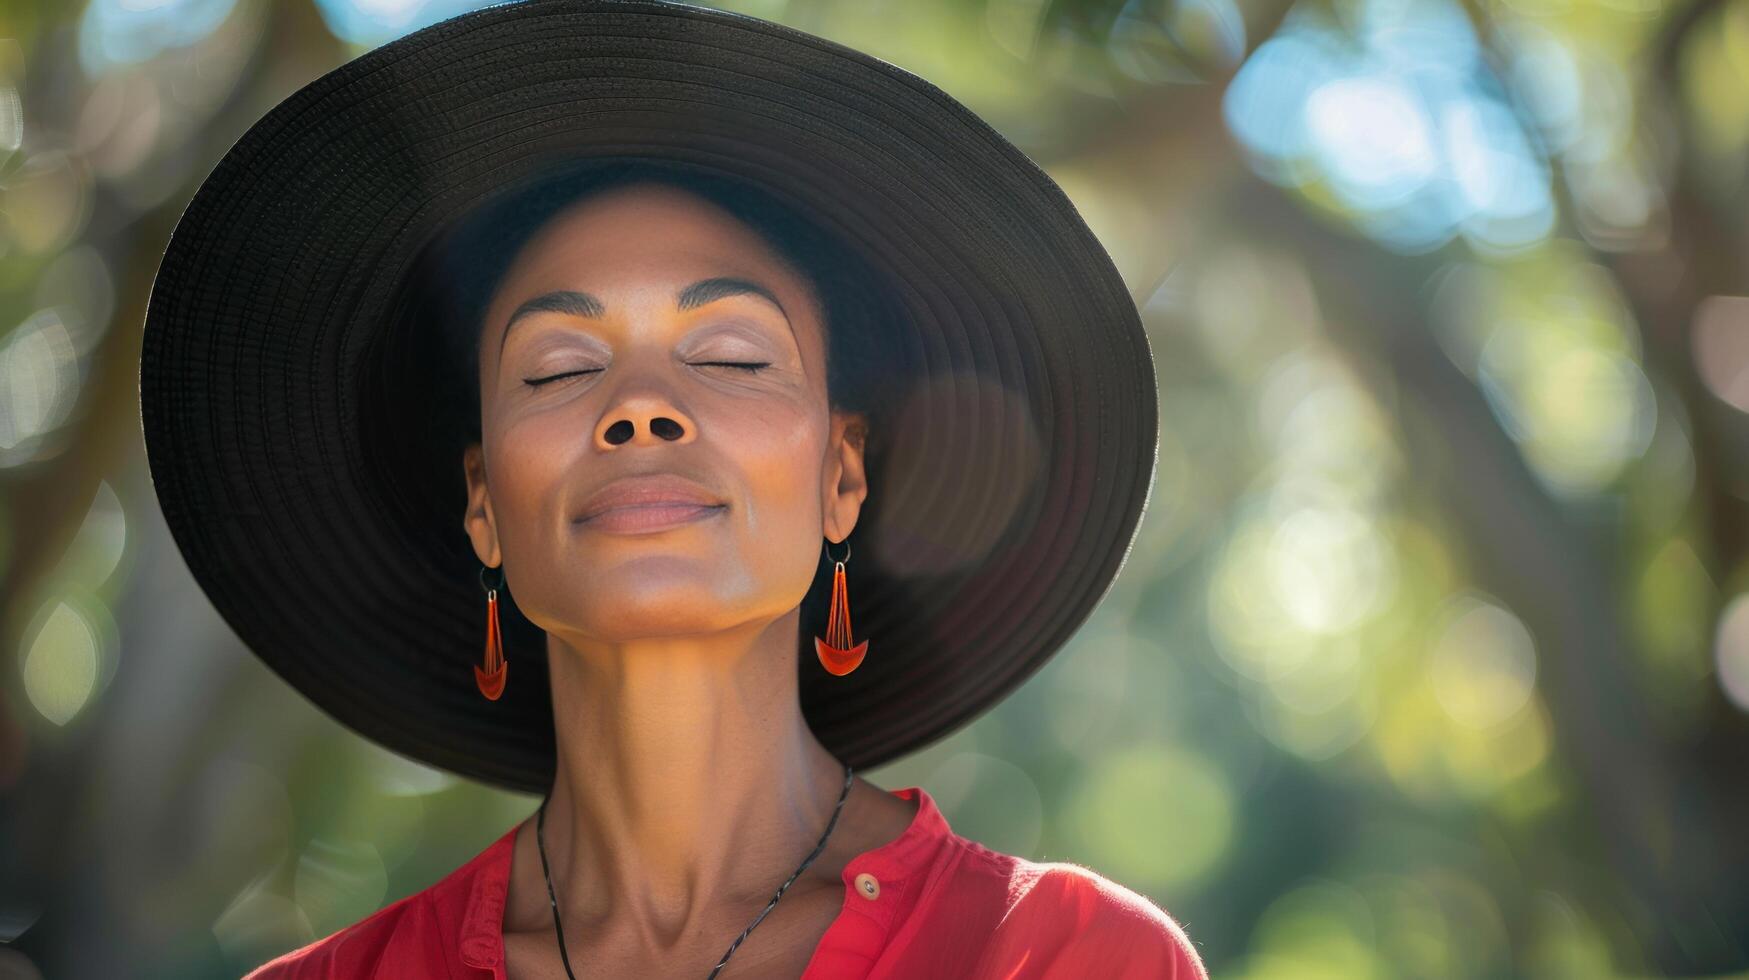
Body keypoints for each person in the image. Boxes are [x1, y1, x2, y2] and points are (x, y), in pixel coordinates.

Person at [137, 2, 1211, 977]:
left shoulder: (1065, 956)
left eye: (733, 355)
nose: (640, 407)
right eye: (559, 366)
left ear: (842, 477)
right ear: (483, 506)